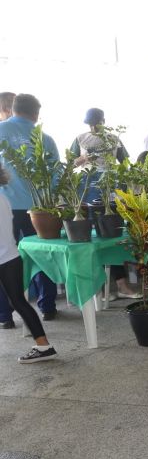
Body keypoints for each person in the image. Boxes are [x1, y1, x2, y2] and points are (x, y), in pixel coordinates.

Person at [69, 108, 140, 300]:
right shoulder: (80, 138)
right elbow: (69, 163)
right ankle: (100, 289)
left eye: (96, 122)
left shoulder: (113, 138)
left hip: (110, 193)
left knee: (111, 235)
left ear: (104, 121)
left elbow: (125, 162)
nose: (93, 127)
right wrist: (81, 159)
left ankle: (122, 284)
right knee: (93, 238)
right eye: (90, 123)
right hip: (88, 191)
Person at [0, 94, 59, 325]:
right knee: (43, 255)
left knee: (2, 259)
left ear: (13, 109)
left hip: (6, 207)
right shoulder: (46, 139)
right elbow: (55, 177)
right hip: (39, 209)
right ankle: (48, 306)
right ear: (36, 114)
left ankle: (4, 316)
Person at [0, 166, 57, 363]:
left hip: (5, 259)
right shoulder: (4, 200)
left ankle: (44, 346)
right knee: (18, 301)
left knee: (17, 301)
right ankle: (44, 345)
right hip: (11, 258)